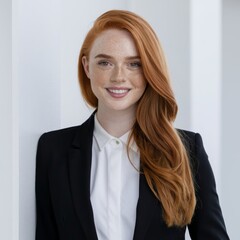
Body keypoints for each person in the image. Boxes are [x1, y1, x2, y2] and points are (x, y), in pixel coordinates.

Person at [35, 10, 229, 240]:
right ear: (87, 67)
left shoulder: (187, 151)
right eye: (105, 62)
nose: (118, 76)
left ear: (149, 70)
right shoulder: (53, 150)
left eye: (134, 64)